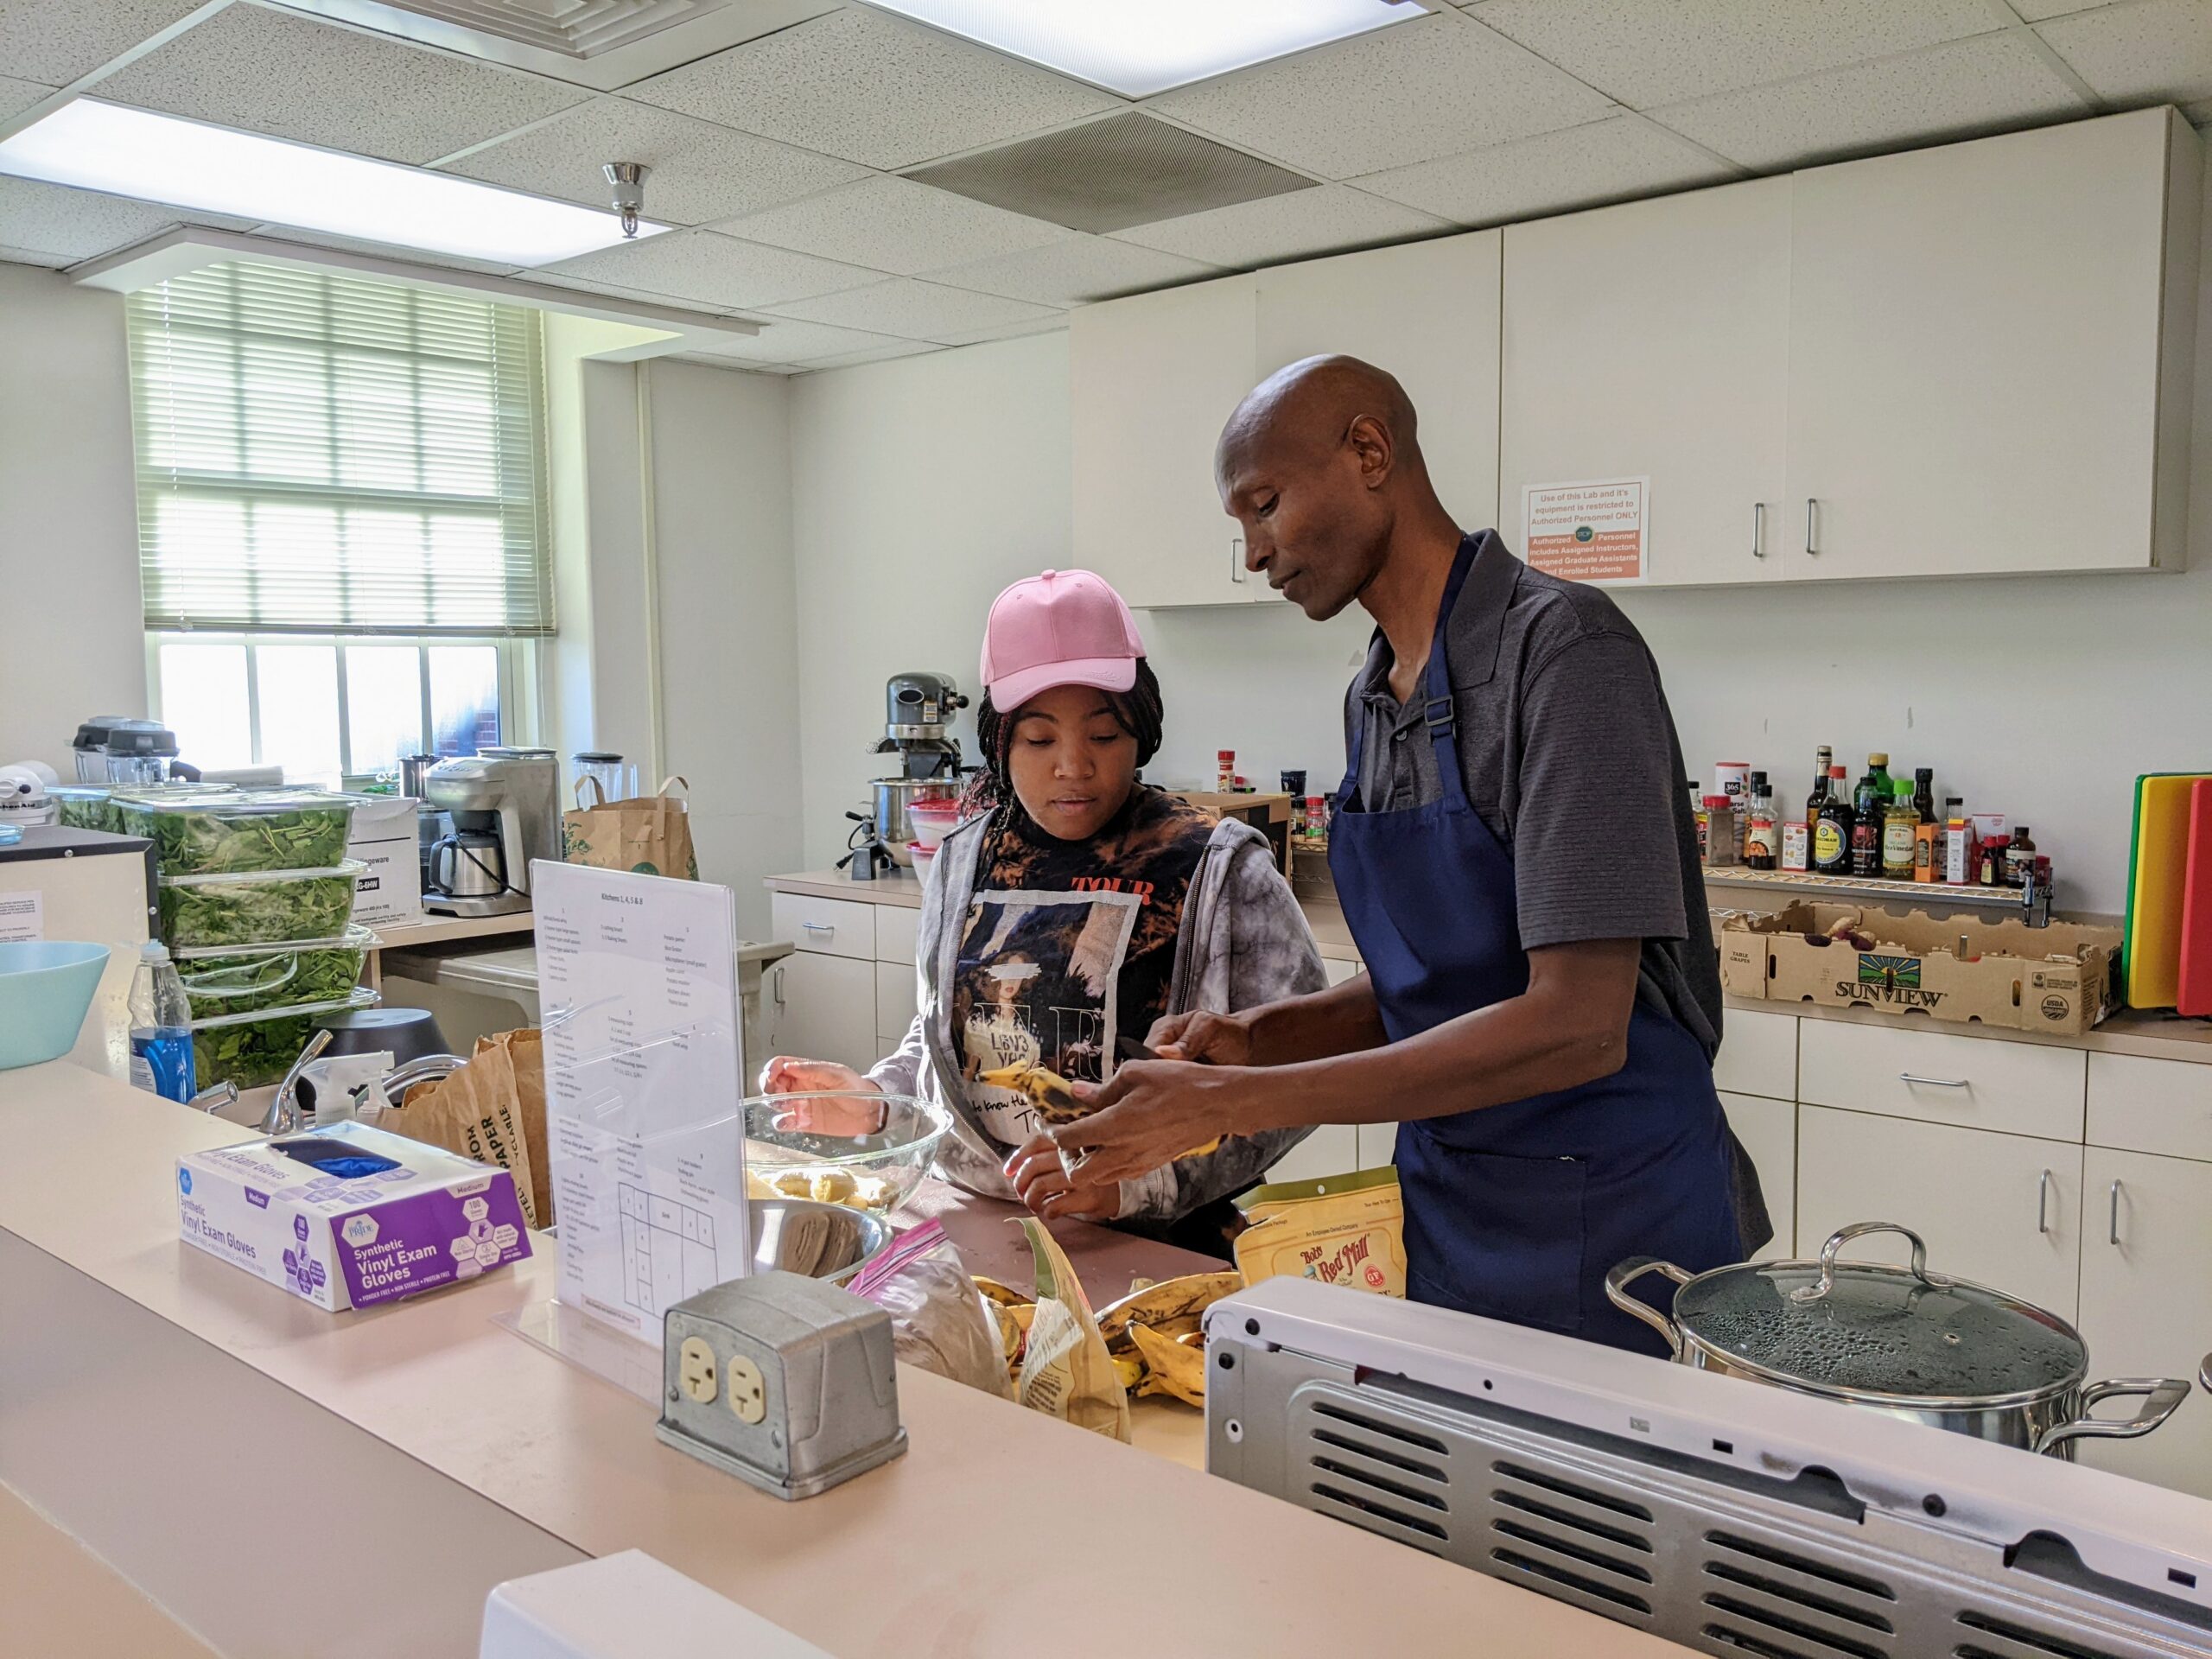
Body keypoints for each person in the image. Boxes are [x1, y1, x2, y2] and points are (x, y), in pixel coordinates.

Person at [1051, 357, 1770, 1352]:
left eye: (1265, 506)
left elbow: (1577, 1025)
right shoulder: (1373, 695)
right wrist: (1259, 1038)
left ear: (1369, 452)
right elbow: (1452, 979)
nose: (1255, 553)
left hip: (1618, 1227)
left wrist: (1233, 1102)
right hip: (1452, 1208)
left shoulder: (1565, 655)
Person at [760, 568, 1325, 1252]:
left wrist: (1133, 1184)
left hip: (1150, 1245)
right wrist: (879, 1100)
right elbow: (950, 1031)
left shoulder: (1216, 865)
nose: (1074, 766)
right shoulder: (964, 858)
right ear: (1000, 742)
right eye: (1039, 739)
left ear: (1142, 731)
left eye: (1104, 735)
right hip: (977, 1224)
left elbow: (1291, 1088)